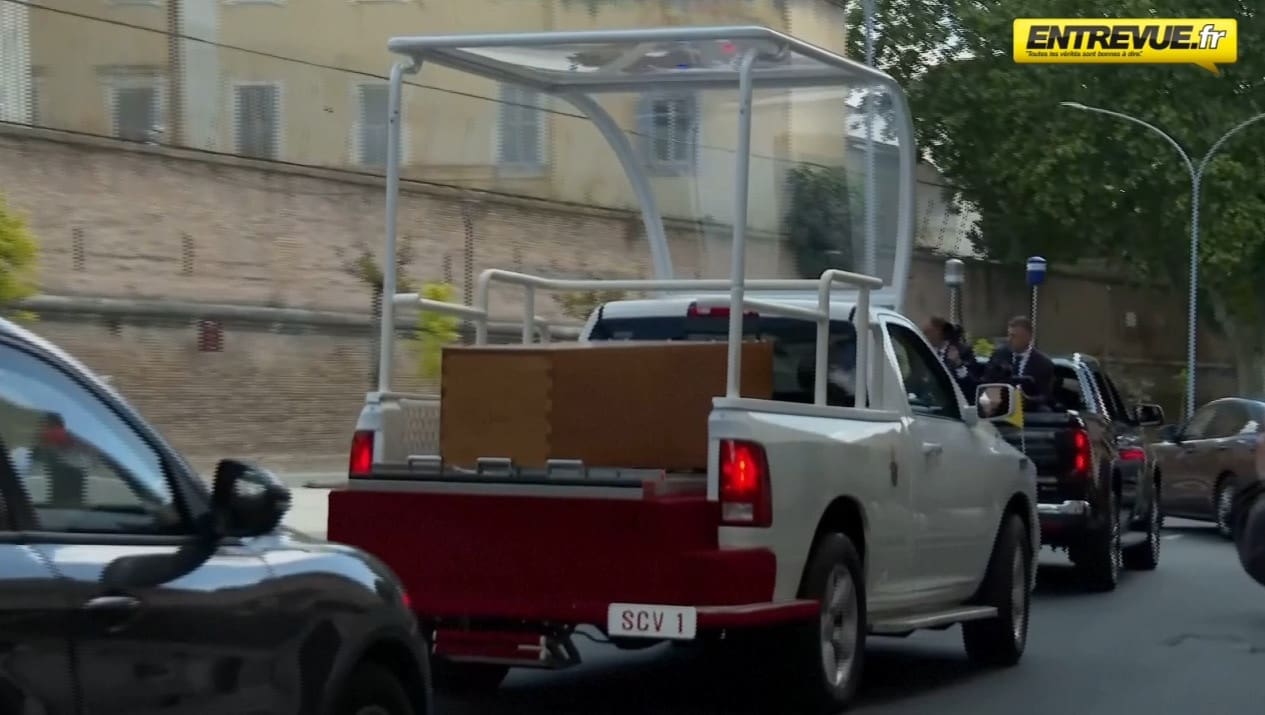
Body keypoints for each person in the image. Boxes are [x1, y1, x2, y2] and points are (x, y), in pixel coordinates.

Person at [986, 316, 1055, 408]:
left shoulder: (1043, 364)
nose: (1009, 339)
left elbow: (1046, 397)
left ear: (1028, 337)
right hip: (999, 411)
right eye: (1009, 335)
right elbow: (986, 381)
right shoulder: (999, 355)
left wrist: (1027, 399)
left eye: (1014, 336)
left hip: (1029, 415)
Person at [923, 316, 977, 397]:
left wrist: (958, 364)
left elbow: (971, 385)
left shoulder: (962, 351)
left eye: (927, 332)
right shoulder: (927, 351)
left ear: (938, 332)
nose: (924, 336)